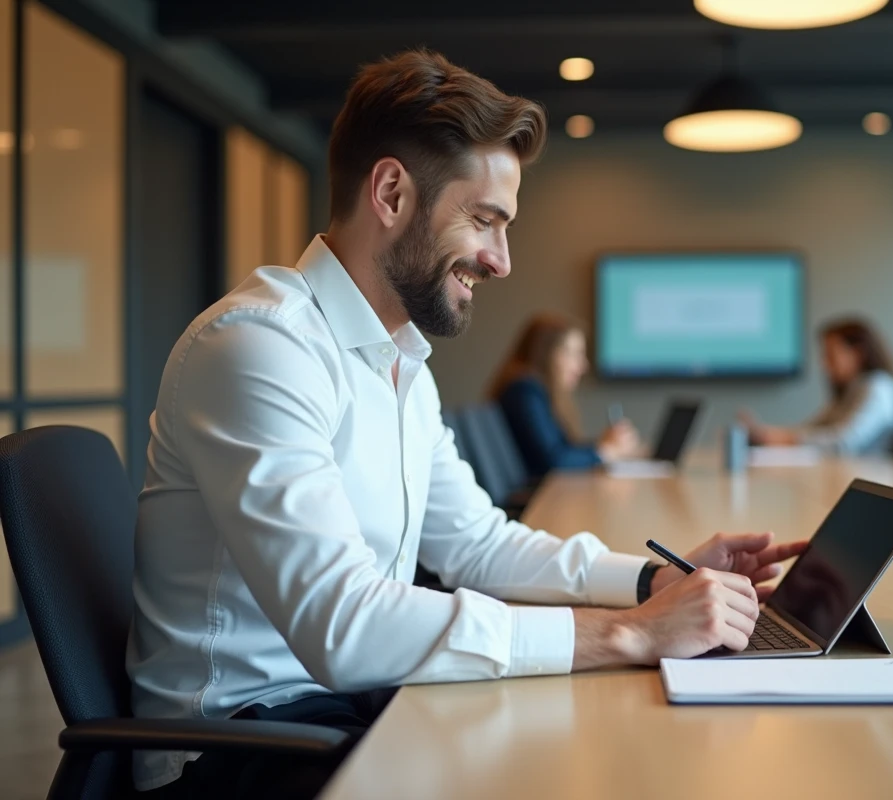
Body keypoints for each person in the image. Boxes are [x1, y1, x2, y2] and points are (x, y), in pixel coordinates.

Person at [129, 49, 806, 799]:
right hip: (235, 750)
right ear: (391, 193)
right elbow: (343, 626)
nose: (502, 260)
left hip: (347, 709)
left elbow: (479, 546)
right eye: (484, 220)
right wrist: (633, 633)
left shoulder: (398, 363)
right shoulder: (260, 347)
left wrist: (656, 579)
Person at [488, 313, 640, 475]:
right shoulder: (525, 392)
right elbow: (555, 461)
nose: (583, 366)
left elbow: (562, 448)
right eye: (574, 354)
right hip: (540, 496)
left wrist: (604, 445)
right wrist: (607, 451)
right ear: (546, 354)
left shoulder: (535, 392)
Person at [741, 317, 893, 455]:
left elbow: (843, 443)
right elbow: (816, 428)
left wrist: (784, 438)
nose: (824, 364)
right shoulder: (851, 390)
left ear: (858, 353)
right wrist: (770, 434)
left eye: (831, 355)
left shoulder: (878, 387)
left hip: (871, 476)